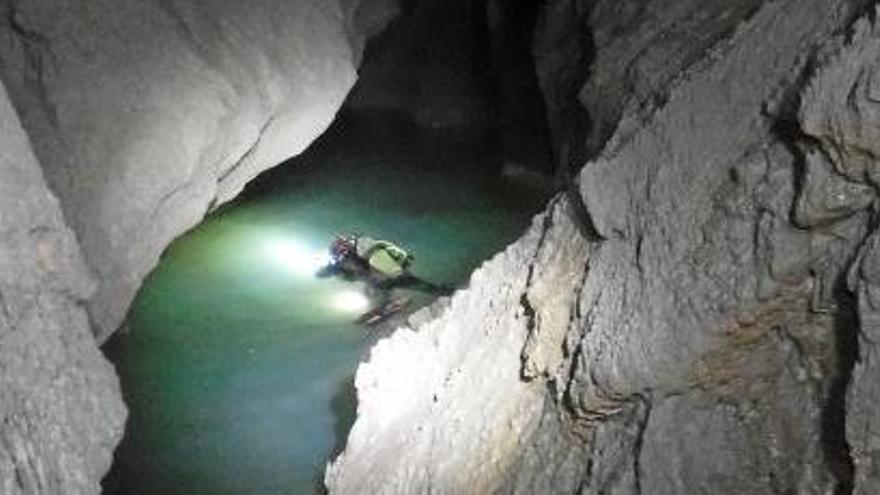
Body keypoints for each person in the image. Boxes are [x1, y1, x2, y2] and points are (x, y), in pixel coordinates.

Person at [318, 233, 451, 324]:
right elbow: (358, 271)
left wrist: (334, 270)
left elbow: (360, 271)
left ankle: (388, 304)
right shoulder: (364, 246)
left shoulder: (354, 253)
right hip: (394, 270)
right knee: (414, 283)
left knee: (376, 287)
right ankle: (443, 291)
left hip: (386, 273)